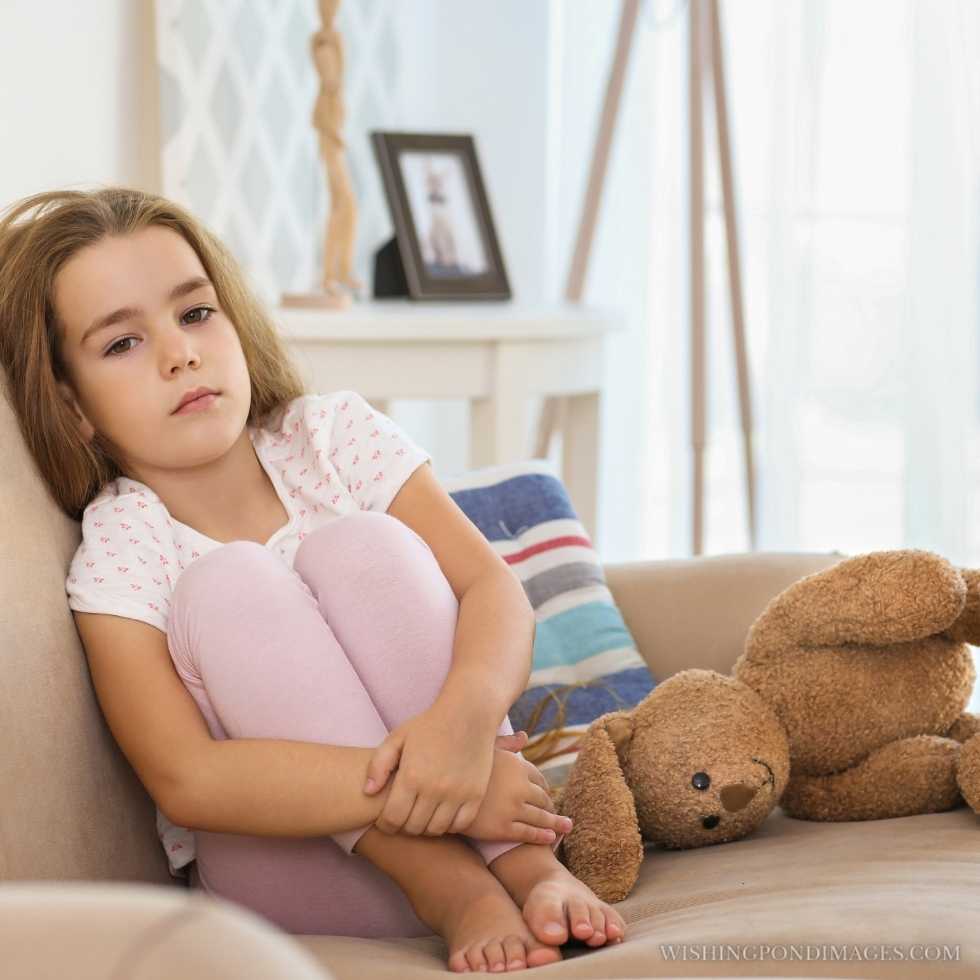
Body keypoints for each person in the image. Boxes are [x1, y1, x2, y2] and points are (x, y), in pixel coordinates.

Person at [0, 187, 627, 973]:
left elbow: (490, 590)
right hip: (302, 872)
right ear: (73, 405)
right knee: (231, 584)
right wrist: (441, 791)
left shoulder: (330, 437)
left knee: (362, 544)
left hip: (484, 811)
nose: (179, 354)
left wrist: (463, 733)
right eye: (122, 344)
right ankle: (454, 893)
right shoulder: (122, 546)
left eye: (195, 314)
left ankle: (531, 870)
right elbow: (187, 779)